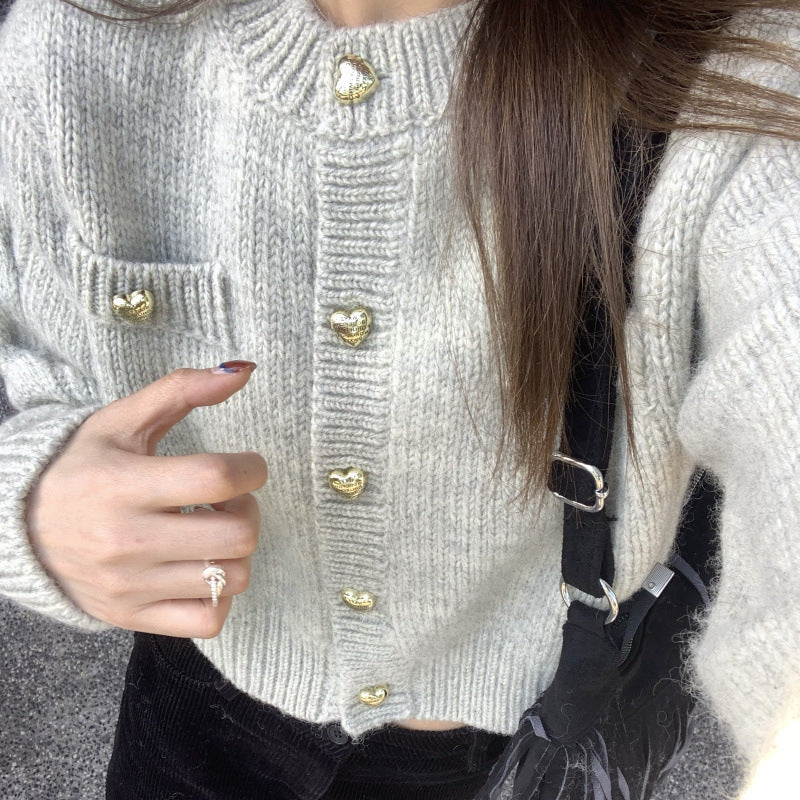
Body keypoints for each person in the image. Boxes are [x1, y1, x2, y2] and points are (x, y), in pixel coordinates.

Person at [1, 0, 799, 797]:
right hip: (193, 693)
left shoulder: (727, 74)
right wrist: (26, 500)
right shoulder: (73, 37)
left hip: (523, 735)